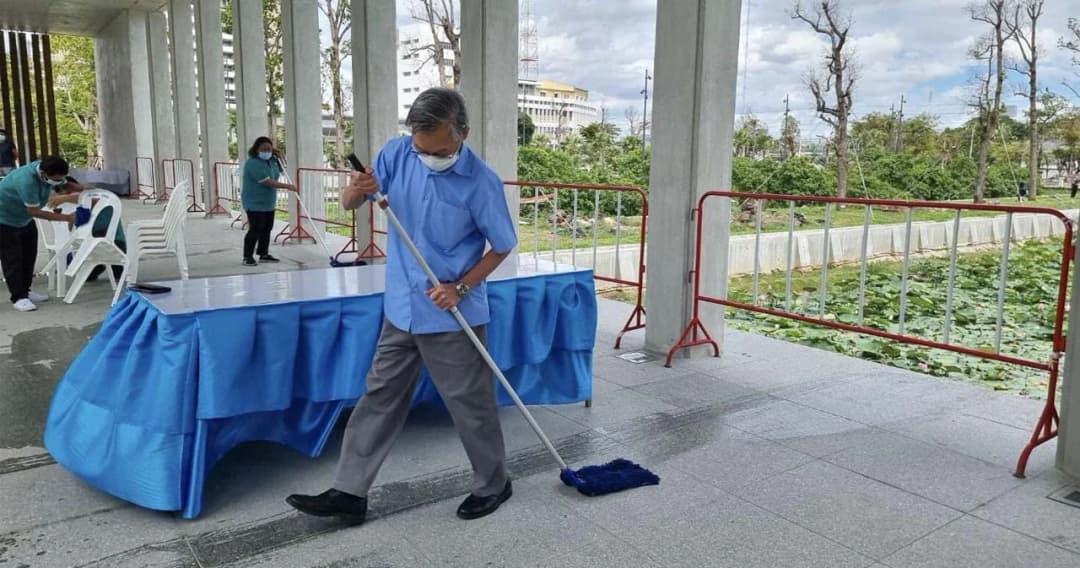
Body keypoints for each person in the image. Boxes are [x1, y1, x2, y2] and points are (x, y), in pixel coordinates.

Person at [286, 88, 518, 525]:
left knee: (469, 404)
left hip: (450, 313)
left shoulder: (481, 181)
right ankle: (350, 492)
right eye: (421, 149)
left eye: (440, 150)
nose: (429, 156)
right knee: (379, 395)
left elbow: (502, 246)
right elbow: (351, 203)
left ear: (462, 134)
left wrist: (460, 288)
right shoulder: (397, 154)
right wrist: (358, 188)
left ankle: (493, 483)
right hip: (401, 306)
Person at [0, 156, 76, 312]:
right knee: (12, 258)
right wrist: (66, 217)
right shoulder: (26, 181)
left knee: (29, 255)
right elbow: (35, 211)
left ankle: (26, 291)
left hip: (24, 219)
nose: (57, 182)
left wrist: (87, 190)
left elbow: (65, 185)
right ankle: (19, 298)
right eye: (55, 179)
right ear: (43, 173)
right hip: (4, 219)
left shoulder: (47, 170)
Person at [47, 176, 126, 282]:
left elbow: (94, 197)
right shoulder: (79, 206)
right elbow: (72, 229)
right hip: (89, 246)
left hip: (112, 243)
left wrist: (65, 199)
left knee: (119, 272)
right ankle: (99, 266)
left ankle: (103, 265)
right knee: (78, 268)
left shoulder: (99, 199)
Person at [241, 137, 295, 266]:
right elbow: (267, 181)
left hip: (268, 202)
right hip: (254, 202)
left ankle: (263, 254)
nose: (266, 151)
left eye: (269, 149)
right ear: (256, 149)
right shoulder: (252, 163)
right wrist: (287, 186)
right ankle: (247, 256)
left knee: (267, 228)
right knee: (255, 229)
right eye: (263, 149)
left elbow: (282, 169)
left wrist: (280, 155)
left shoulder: (272, 161)